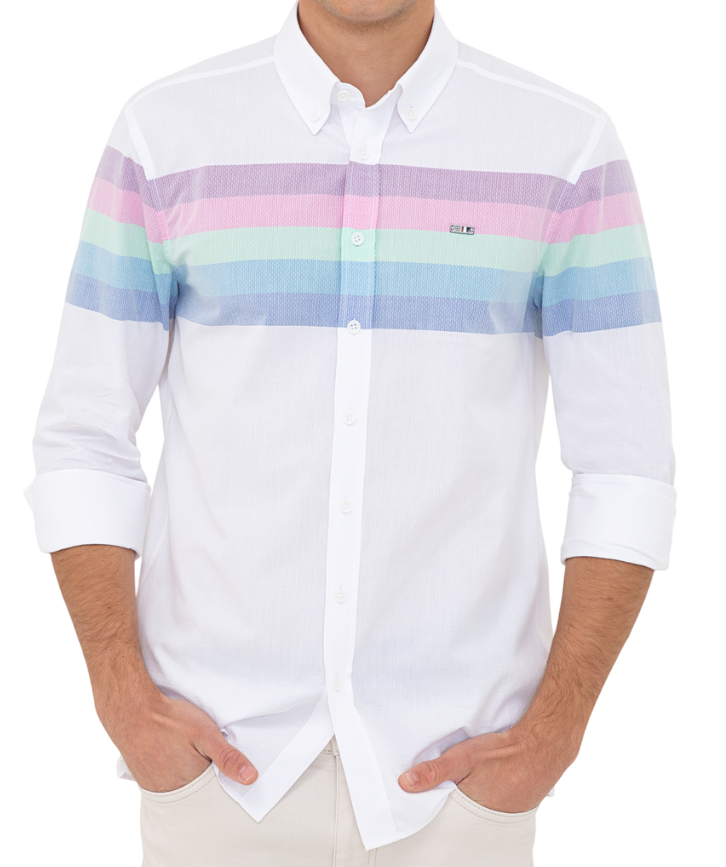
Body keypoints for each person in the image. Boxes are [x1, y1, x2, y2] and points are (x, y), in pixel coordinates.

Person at [22, 1, 677, 864]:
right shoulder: (165, 131)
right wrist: (121, 698)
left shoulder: (567, 146)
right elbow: (83, 438)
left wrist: (555, 729)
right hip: (215, 775)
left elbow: (626, 466)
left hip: (460, 788)